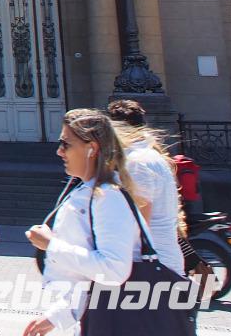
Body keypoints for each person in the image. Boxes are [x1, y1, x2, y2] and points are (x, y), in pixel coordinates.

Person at [23, 108, 145, 336]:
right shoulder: (89, 192)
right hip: (96, 319)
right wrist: (57, 316)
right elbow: (87, 280)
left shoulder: (107, 196)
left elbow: (113, 270)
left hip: (114, 321)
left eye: (66, 144)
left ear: (92, 148)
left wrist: (51, 245)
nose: (59, 152)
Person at [107, 98, 186, 275]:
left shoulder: (136, 163)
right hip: (163, 263)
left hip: (152, 268)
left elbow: (141, 224)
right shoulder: (150, 156)